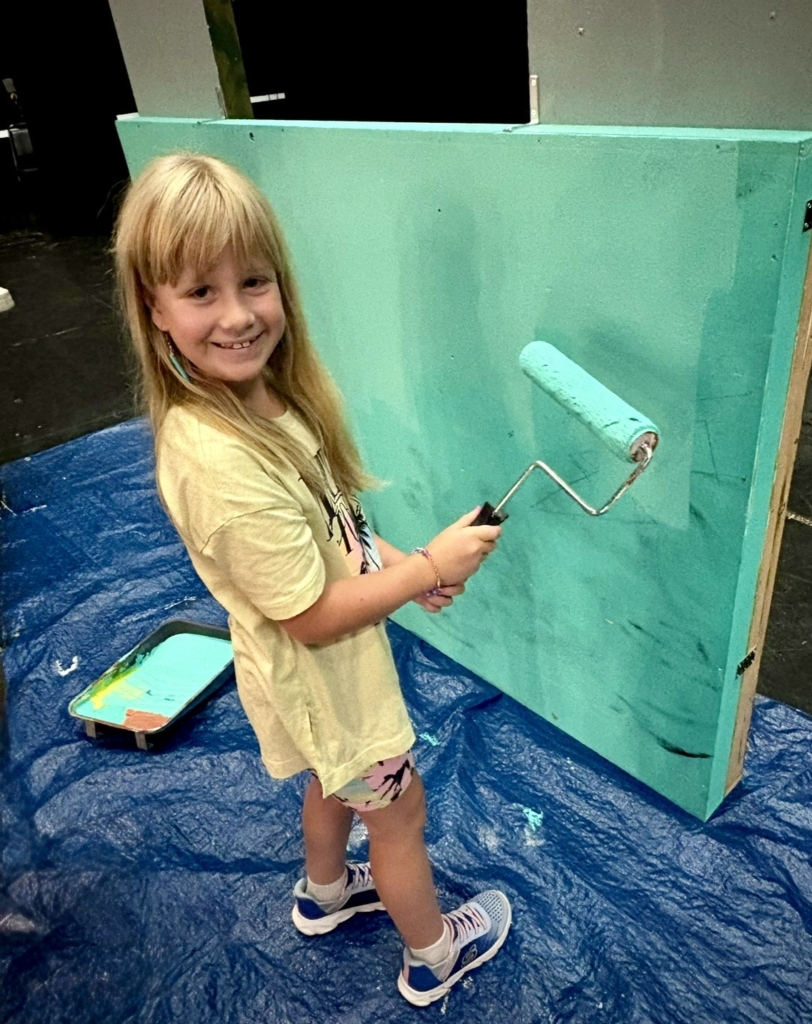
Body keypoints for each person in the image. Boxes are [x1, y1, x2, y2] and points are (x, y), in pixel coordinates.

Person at [113, 153, 511, 1006]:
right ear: (153, 305)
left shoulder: (262, 398)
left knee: (332, 782)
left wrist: (401, 566)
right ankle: (433, 954)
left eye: (253, 281)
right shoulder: (218, 463)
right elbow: (314, 615)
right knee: (398, 816)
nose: (237, 315)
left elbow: (336, 528)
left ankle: (325, 894)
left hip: (313, 688)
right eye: (201, 291)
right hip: (330, 686)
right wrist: (431, 568)